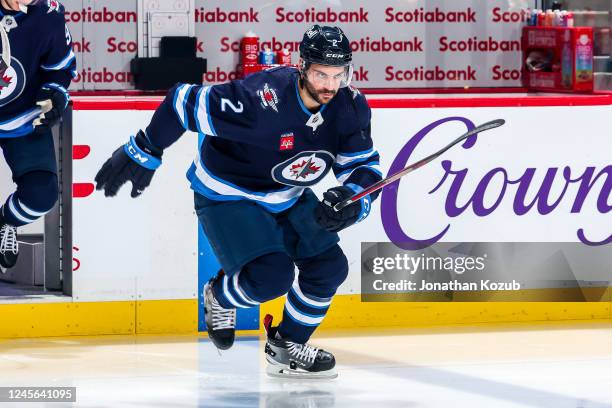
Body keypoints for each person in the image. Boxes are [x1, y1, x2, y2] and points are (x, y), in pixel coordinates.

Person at [95, 25, 382, 378]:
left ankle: (285, 346)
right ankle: (219, 295)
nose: (330, 85)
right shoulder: (260, 99)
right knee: (272, 277)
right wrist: (145, 149)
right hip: (227, 194)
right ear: (302, 66)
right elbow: (181, 101)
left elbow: (363, 166)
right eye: (321, 73)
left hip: (287, 195)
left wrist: (351, 199)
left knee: (330, 267)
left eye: (339, 75)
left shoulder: (349, 105)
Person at [0, 0, 75, 272]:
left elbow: (60, 68)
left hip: (22, 118)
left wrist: (54, 93)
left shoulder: (48, 14)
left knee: (41, 195)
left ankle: (5, 221)